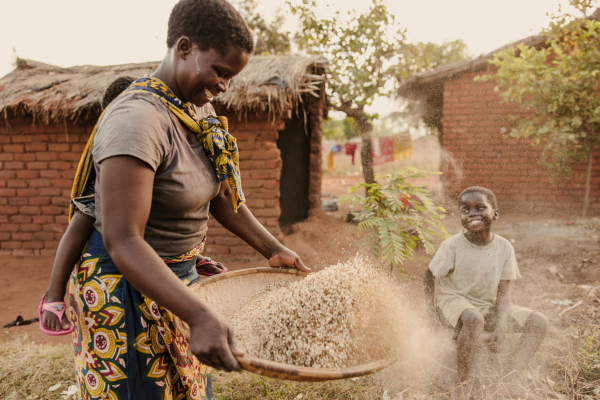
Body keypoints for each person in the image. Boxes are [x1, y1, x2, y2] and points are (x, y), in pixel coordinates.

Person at [56, 1, 310, 399]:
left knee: (184, 389)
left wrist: (274, 249)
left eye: (232, 77)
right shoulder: (136, 120)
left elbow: (221, 197)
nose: (224, 85)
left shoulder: (197, 109)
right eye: (220, 72)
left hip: (180, 283)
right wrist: (198, 313)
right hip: (127, 288)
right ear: (185, 47)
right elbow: (123, 240)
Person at [424, 186, 548, 399]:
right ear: (461, 217)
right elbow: (429, 275)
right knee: (474, 320)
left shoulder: (504, 247)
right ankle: (461, 384)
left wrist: (501, 327)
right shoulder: (452, 245)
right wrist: (430, 313)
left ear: (495, 213)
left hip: (485, 303)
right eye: (465, 210)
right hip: (453, 300)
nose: (472, 213)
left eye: (480, 207)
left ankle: (510, 378)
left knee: (539, 322)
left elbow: (504, 290)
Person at [40, 76, 136, 334]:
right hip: (103, 198)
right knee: (82, 222)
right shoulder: (108, 132)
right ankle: (54, 297)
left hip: (139, 201)